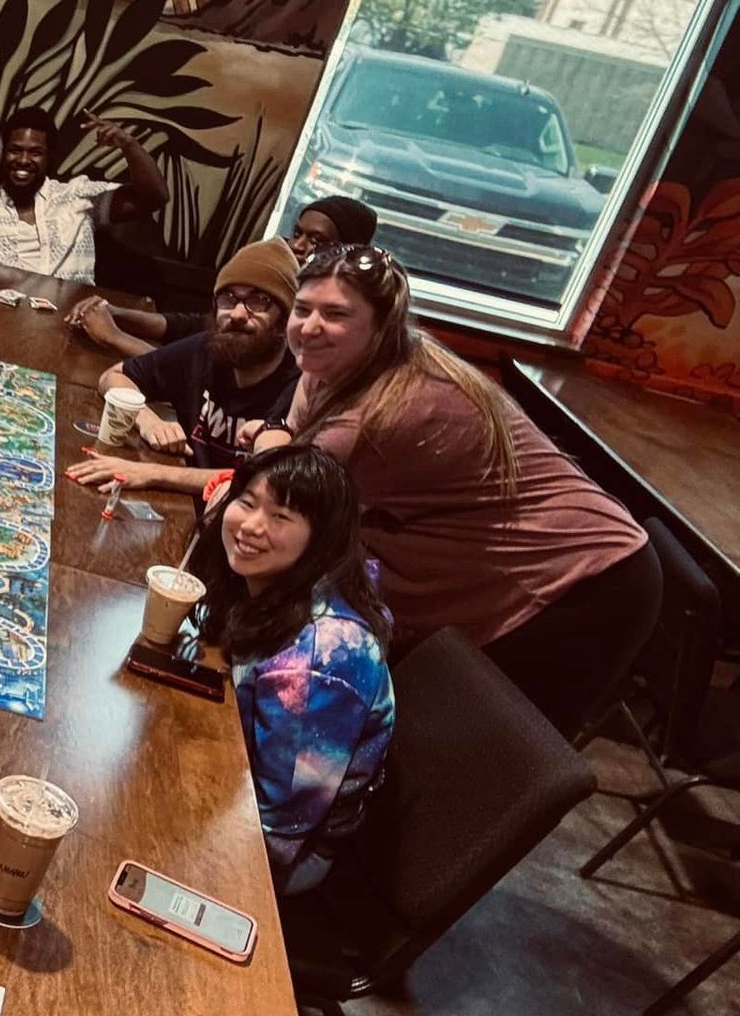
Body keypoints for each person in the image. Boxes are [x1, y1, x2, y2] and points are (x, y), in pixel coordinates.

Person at [254, 245, 658, 735]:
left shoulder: (383, 416)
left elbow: (274, 495)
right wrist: (272, 439)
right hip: (537, 559)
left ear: (381, 327)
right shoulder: (334, 367)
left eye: (336, 314)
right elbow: (281, 459)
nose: (310, 326)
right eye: (303, 309)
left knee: (482, 754)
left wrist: (157, 471)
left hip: (588, 581)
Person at [192, 445, 396, 893]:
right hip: (235, 772)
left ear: (320, 539)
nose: (251, 525)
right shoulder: (272, 585)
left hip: (282, 857)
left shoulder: (321, 660)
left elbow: (278, 829)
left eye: (281, 517)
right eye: (246, 502)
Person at [68, 238, 300, 495]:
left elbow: (262, 481)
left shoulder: (300, 388)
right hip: (185, 504)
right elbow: (113, 376)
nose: (236, 314)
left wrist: (153, 474)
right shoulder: (206, 348)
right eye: (228, 298)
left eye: (259, 301)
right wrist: (149, 422)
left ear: (286, 319)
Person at [68, 195, 378, 355]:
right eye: (297, 233)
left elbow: (194, 376)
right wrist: (115, 313)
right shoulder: (289, 283)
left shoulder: (311, 326)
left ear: (348, 250)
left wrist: (113, 336)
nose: (298, 245)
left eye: (316, 241)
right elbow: (196, 329)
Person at [0, 108, 168, 280]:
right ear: (4, 152)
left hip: (71, 320)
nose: (23, 160)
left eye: (35, 152)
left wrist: (128, 145)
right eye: (15, 150)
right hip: (1, 322)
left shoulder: (79, 196)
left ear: (49, 157)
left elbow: (155, 197)